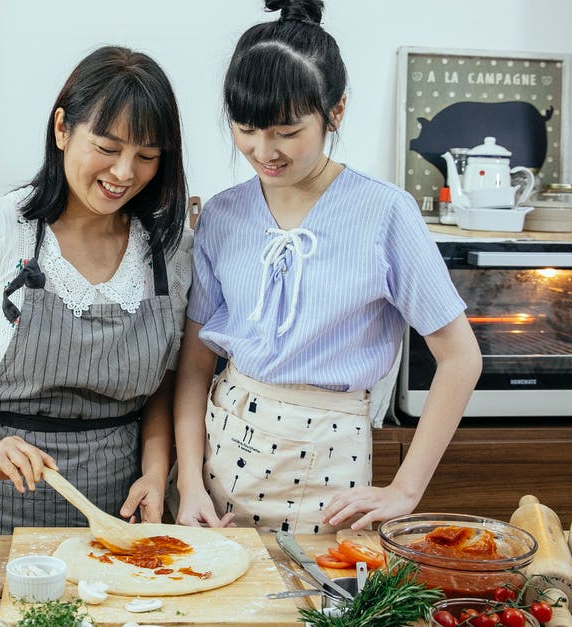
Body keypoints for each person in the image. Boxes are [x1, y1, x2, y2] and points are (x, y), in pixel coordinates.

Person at [172, 0, 482, 535]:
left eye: (286, 131)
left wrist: (407, 489)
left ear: (336, 111)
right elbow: (196, 363)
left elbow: (460, 359)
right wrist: (189, 484)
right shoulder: (222, 214)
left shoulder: (385, 213)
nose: (263, 150)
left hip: (329, 471)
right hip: (220, 460)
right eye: (245, 128)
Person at [0, 46, 192, 534]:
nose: (125, 173)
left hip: (120, 509)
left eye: (146, 156)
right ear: (62, 129)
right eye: (107, 148)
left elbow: (159, 386)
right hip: (0, 506)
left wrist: (154, 471)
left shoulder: (168, 250)